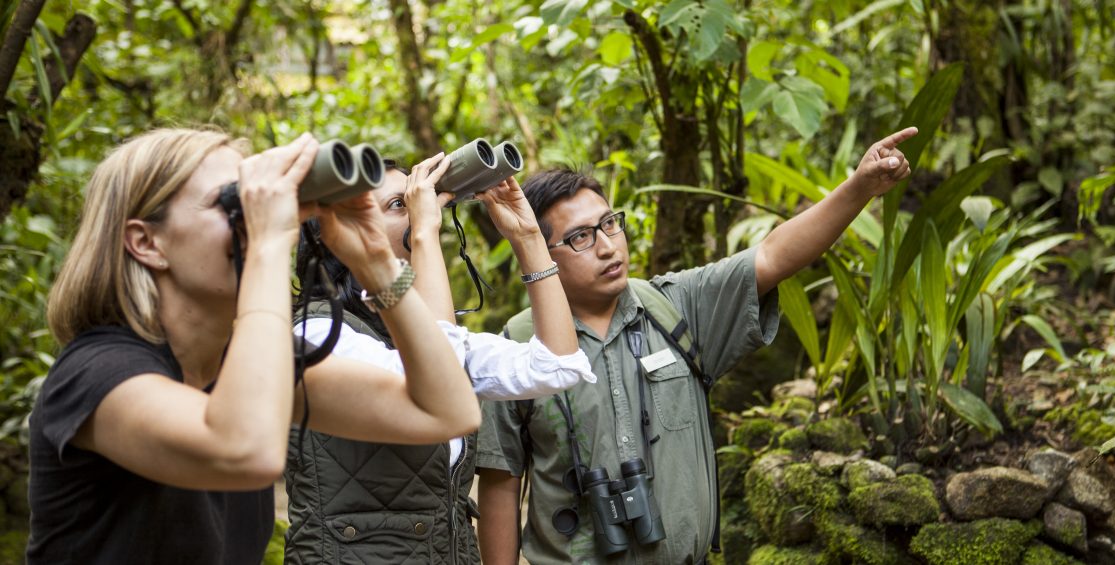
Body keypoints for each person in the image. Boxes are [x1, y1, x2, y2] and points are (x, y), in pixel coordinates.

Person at [28, 128, 481, 565]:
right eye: (234, 202)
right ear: (146, 242)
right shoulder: (95, 373)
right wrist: (267, 242)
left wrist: (376, 265)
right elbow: (246, 450)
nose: (256, 216)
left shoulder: (244, 365)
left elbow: (447, 412)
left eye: (257, 199)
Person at [475, 127, 919, 564]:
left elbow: (772, 255)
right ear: (543, 252)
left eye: (610, 224)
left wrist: (860, 187)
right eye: (580, 237)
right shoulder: (517, 347)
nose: (608, 247)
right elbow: (500, 483)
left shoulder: (677, 306)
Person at [284, 152, 596, 564]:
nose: (419, 210)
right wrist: (426, 233)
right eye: (400, 204)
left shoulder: (418, 331)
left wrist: (527, 238)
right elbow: (437, 376)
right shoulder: (317, 334)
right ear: (340, 233)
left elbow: (556, 366)